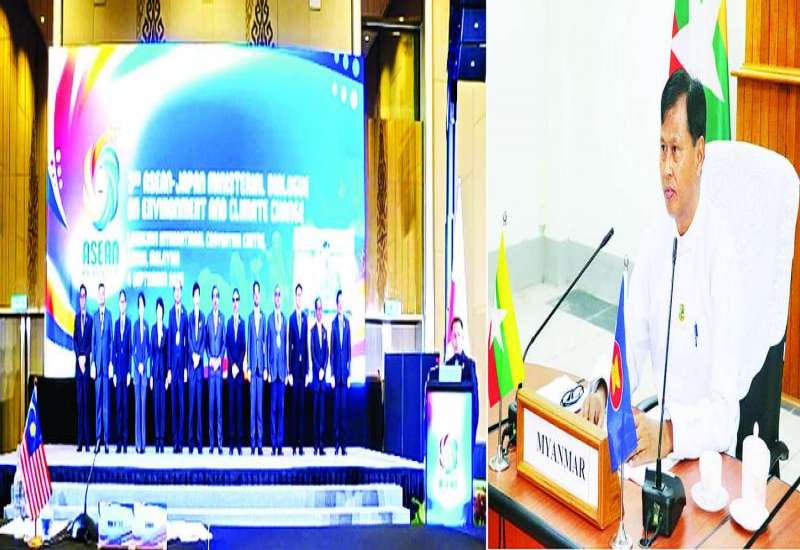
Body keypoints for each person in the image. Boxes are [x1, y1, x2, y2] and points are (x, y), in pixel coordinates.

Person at [580, 69, 740, 464]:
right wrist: (603, 387)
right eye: (662, 149)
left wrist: (670, 434)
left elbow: (726, 415)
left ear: (699, 154)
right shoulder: (656, 236)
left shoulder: (722, 251)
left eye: (677, 150)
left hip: (704, 458)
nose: (666, 166)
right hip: (657, 449)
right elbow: (631, 343)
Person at [444, 317, 479, 448]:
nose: (457, 339)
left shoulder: (470, 365)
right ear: (451, 339)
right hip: (450, 427)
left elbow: (475, 402)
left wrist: (472, 433)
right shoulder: (446, 366)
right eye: (454, 336)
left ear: (463, 337)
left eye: (459, 335)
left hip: (465, 425)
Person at [267, 284, 288, 456]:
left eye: (280, 295)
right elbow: (267, 346)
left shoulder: (285, 319)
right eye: (276, 294)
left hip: (282, 372)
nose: (278, 297)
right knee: (272, 409)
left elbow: (286, 346)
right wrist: (267, 368)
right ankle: (273, 443)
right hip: (273, 372)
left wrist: (287, 371)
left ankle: (280, 444)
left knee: (281, 410)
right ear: (273, 298)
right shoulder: (269, 319)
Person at [91, 282, 113, 453]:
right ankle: (98, 439)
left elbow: (111, 341)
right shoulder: (94, 316)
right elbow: (93, 342)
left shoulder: (110, 315)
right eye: (99, 293)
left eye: (103, 293)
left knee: (106, 405)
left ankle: (106, 440)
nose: (101, 296)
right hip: (97, 367)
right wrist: (92, 362)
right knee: (97, 405)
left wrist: (111, 362)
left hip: (106, 367)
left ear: (105, 295)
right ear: (97, 296)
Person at [289, 283, 309, 455]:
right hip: (294, 370)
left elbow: (307, 345)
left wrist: (308, 370)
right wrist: (289, 370)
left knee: (302, 408)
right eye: (297, 295)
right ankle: (294, 444)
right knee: (294, 407)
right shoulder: (291, 318)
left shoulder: (305, 318)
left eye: (301, 295)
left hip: (303, 371)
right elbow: (290, 345)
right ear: (294, 297)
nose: (299, 298)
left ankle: (301, 444)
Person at [330, 289, 351, 455]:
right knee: (336, 411)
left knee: (344, 412)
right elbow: (332, 351)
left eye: (343, 302)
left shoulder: (348, 324)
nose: (341, 305)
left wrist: (349, 374)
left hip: (345, 375)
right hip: (336, 375)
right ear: (336, 305)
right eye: (339, 302)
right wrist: (331, 374)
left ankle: (344, 445)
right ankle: (336, 444)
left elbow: (349, 350)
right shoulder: (333, 324)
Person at [247, 280, 267, 455]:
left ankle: (260, 443)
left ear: (260, 295)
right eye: (254, 293)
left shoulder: (264, 317)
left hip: (261, 368)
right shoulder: (249, 318)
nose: (256, 295)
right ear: (252, 296)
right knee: (252, 408)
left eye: (258, 292)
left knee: (260, 408)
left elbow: (265, 343)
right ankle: (252, 443)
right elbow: (249, 343)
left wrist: (266, 366)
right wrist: (248, 365)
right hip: (252, 368)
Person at [111, 289, 132, 454]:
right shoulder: (116, 323)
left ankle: (125, 441)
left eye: (124, 301)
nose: (122, 304)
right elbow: (114, 348)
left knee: (126, 407)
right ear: (119, 304)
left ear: (126, 304)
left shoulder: (129, 323)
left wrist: (130, 371)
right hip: (118, 371)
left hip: (127, 371)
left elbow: (130, 349)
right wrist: (114, 373)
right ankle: (118, 441)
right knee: (118, 407)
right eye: (121, 301)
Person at [168, 281, 188, 453]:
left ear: (181, 293)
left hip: (182, 367)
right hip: (172, 368)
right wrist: (168, 368)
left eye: (179, 291)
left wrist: (187, 366)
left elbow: (187, 343)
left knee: (181, 405)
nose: (177, 293)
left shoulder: (185, 313)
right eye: (175, 291)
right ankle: (174, 441)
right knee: (174, 405)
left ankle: (181, 442)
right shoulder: (169, 313)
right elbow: (169, 342)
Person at [226, 287, 246, 455]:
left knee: (239, 409)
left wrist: (237, 366)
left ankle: (239, 443)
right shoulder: (228, 322)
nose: (235, 302)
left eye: (237, 299)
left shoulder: (243, 323)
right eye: (233, 300)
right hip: (231, 374)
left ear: (239, 302)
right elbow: (227, 346)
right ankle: (231, 443)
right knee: (231, 409)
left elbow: (243, 347)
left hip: (238, 374)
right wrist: (231, 364)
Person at [206, 285, 225, 454]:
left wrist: (219, 359)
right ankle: (211, 443)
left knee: (219, 408)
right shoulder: (207, 318)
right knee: (211, 408)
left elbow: (224, 342)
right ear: (211, 299)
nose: (215, 299)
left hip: (219, 369)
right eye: (213, 296)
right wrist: (210, 358)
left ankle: (220, 443)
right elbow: (206, 343)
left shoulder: (223, 318)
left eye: (217, 295)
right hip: (211, 369)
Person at [73, 284, 92, 452]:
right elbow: (75, 340)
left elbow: (91, 342)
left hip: (86, 366)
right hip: (78, 368)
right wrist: (78, 356)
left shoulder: (90, 319)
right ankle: (79, 442)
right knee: (79, 404)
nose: (82, 299)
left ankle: (87, 442)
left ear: (87, 299)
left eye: (84, 296)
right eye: (80, 296)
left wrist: (85, 357)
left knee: (86, 403)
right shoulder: (76, 317)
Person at [187, 282, 205, 454]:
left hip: (199, 370)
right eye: (195, 295)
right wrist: (193, 354)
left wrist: (199, 355)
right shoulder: (189, 317)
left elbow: (203, 339)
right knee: (191, 407)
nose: (197, 298)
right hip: (191, 368)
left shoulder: (203, 317)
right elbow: (189, 339)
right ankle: (191, 442)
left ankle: (200, 443)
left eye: (199, 295)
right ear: (192, 298)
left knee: (200, 408)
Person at [131, 292, 150, 454]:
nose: (141, 308)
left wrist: (144, 364)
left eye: (143, 305)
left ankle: (143, 443)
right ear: (138, 308)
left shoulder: (147, 326)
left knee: (143, 408)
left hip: (144, 374)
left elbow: (148, 349)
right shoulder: (135, 325)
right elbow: (133, 349)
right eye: (139, 305)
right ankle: (137, 443)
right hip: (137, 373)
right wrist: (138, 365)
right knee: (137, 409)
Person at [310, 296, 329, 456]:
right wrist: (319, 369)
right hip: (316, 379)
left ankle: (321, 445)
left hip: (324, 380)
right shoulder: (312, 331)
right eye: (317, 309)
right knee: (315, 413)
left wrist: (324, 368)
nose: (319, 312)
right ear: (315, 311)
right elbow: (312, 354)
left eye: (321, 309)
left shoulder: (325, 331)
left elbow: (327, 352)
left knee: (323, 414)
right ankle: (315, 444)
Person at [150, 297, 168, 453]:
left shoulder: (166, 330)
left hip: (163, 374)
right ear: (156, 312)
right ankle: (156, 439)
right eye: (158, 310)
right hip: (155, 373)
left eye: (161, 310)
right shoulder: (153, 328)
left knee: (163, 407)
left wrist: (168, 373)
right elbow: (151, 353)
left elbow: (167, 353)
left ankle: (162, 439)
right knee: (156, 407)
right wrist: (150, 375)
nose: (159, 312)